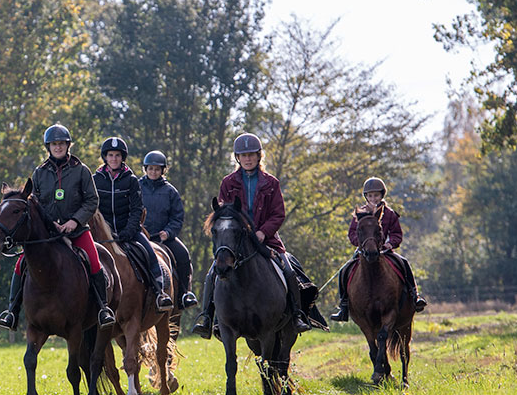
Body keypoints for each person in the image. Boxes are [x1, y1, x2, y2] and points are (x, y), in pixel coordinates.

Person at [192, 132, 327, 338]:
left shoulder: (271, 183)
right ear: (237, 157)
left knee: (289, 271)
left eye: (251, 154)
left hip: (267, 239)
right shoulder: (227, 183)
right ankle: (208, 318)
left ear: (259, 156)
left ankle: (298, 315)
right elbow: (223, 211)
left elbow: (278, 213)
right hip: (236, 241)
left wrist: (264, 231)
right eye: (243, 155)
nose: (247, 159)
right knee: (213, 273)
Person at [0, 124, 116, 331]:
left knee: (94, 260)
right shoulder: (39, 172)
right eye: (54, 144)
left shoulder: (81, 170)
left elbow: (91, 200)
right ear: (48, 147)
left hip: (77, 230)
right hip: (48, 234)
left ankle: (103, 308)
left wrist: (74, 221)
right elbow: (35, 202)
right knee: (21, 264)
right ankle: (11, 312)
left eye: (61, 143)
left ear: (67, 145)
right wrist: (50, 223)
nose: (57, 147)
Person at [329, 177, 428, 321]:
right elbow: (352, 233)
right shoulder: (359, 214)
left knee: (404, 262)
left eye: (376, 195)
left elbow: (396, 234)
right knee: (344, 271)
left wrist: (390, 244)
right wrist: (361, 244)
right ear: (366, 197)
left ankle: (414, 296)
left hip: (384, 251)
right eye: (370, 196)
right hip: (364, 251)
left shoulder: (389, 213)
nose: (373, 198)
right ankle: (343, 306)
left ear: (382, 195)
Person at [93, 137, 172, 312]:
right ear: (105, 157)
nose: (114, 159)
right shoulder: (95, 180)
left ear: (123, 158)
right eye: (111, 155)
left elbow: (137, 209)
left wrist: (128, 230)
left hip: (127, 231)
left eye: (117, 155)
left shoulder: (131, 180)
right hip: (102, 234)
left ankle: (160, 292)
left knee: (149, 253)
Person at [139, 150, 199, 308]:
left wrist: (168, 232)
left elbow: (177, 217)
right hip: (141, 236)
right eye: (150, 168)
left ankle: (184, 294)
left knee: (183, 255)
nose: (153, 172)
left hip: (163, 237)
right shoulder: (137, 187)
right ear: (145, 169)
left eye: (157, 169)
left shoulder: (171, 191)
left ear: (163, 171)